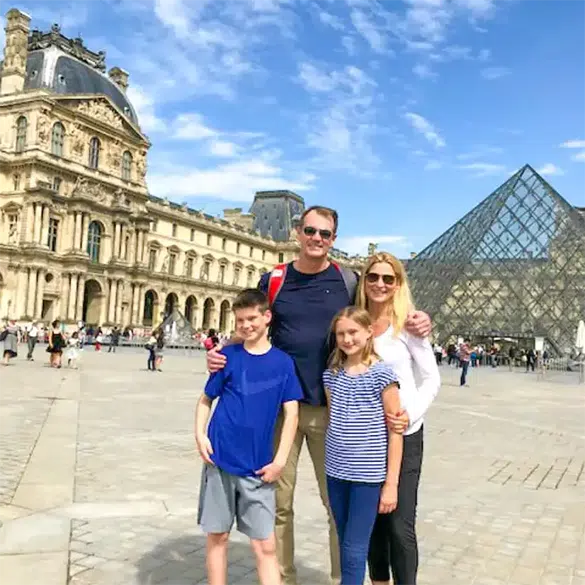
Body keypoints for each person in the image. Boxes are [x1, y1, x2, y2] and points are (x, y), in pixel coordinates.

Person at [207, 205, 432, 585]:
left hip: (333, 412)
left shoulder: (348, 281)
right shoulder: (274, 280)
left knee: (336, 507)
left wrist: (417, 318)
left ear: (333, 239)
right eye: (310, 231)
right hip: (280, 411)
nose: (316, 239)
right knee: (278, 504)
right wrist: (222, 350)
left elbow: (379, 306)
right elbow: (252, 324)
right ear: (298, 232)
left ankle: (340, 579)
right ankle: (283, 579)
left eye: (325, 234)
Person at [195, 289, 303, 585]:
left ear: (267, 317)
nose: (245, 325)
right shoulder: (227, 357)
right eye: (240, 320)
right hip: (220, 459)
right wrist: (200, 435)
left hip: (259, 466)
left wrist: (280, 461)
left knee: (265, 545)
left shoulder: (283, 363)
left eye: (252, 318)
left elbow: (292, 415)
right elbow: (205, 399)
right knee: (217, 536)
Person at [356, 252, 441, 585]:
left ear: (397, 284)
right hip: (368, 437)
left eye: (388, 279)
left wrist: (409, 416)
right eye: (373, 277)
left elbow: (432, 378)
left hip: (405, 435)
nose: (380, 284)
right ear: (364, 281)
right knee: (374, 522)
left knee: (400, 524)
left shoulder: (408, 325)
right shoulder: (355, 322)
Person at [324, 306, 403, 585]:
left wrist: (391, 484)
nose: (347, 339)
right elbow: (334, 420)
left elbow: (395, 432)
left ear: (369, 332)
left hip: (367, 476)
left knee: (355, 549)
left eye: (353, 332)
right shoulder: (331, 375)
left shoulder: (383, 374)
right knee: (344, 540)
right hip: (335, 471)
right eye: (341, 334)